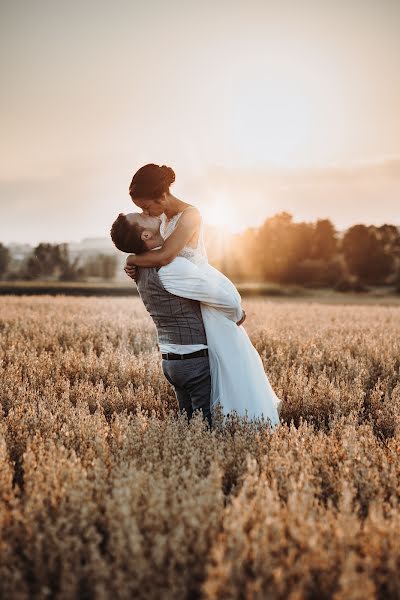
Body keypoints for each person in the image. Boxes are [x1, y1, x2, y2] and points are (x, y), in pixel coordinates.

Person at [115, 164, 282, 426]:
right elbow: (154, 251)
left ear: (162, 197)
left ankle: (239, 427)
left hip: (202, 295)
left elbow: (166, 255)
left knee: (228, 371)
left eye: (146, 208)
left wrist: (134, 257)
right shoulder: (158, 221)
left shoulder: (190, 215)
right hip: (186, 297)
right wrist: (136, 258)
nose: (145, 213)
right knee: (208, 377)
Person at [110, 212, 246, 429]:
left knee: (188, 428)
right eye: (142, 216)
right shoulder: (172, 267)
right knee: (205, 429)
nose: (149, 213)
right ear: (146, 235)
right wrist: (239, 314)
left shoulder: (140, 270)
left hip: (171, 362)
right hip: (194, 360)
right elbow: (226, 301)